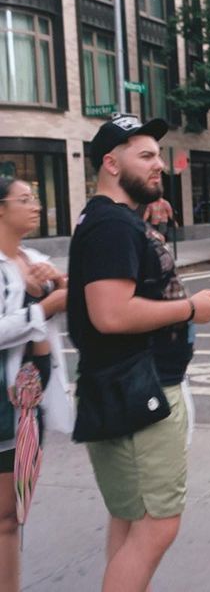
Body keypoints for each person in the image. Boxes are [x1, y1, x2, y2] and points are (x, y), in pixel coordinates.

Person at [67, 116, 210, 591]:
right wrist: (191, 309)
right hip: (142, 390)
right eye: (145, 156)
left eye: (158, 155)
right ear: (111, 163)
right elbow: (111, 314)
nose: (159, 164)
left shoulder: (102, 220)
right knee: (158, 525)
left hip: (119, 384)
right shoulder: (113, 225)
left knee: (130, 518)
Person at [0, 177, 71, 592]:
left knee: (14, 515)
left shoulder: (36, 259)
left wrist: (59, 284)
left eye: (36, 198)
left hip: (31, 405)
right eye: (24, 199)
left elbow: (73, 308)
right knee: (4, 517)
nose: (36, 206)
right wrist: (41, 309)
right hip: (3, 407)